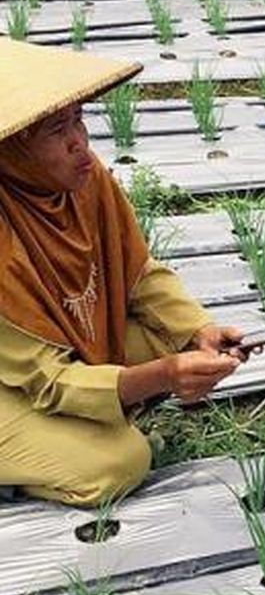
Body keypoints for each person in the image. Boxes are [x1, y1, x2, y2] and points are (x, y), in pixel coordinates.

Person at [0, 38, 248, 507]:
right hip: (16, 379)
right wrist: (163, 376)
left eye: (79, 119)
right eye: (56, 131)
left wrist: (199, 330)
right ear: (11, 148)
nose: (80, 145)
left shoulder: (83, 180)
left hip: (64, 345)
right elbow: (48, 380)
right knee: (119, 462)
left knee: (174, 337)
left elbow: (140, 274)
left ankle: (85, 422)